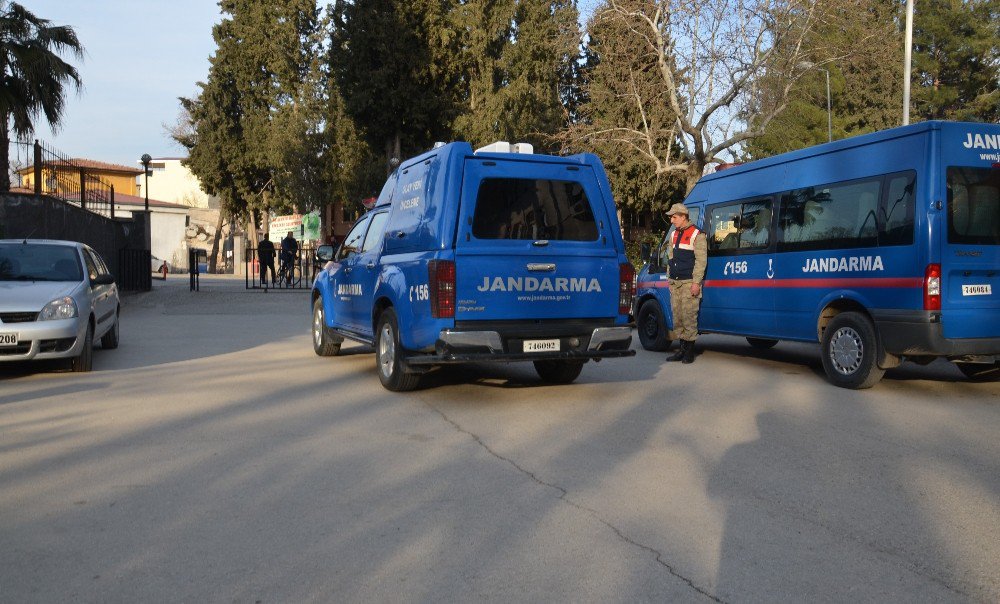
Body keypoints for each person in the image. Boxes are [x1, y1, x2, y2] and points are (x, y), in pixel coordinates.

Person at [665, 203, 707, 364]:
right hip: (675, 283)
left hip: (689, 283)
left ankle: (689, 352)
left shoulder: (697, 234)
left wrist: (696, 282)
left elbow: (701, 261)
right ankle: (681, 350)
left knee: (689, 317)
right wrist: (669, 278)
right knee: (678, 318)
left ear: (683, 217)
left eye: (674, 217)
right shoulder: (674, 234)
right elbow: (670, 258)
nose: (672, 220)